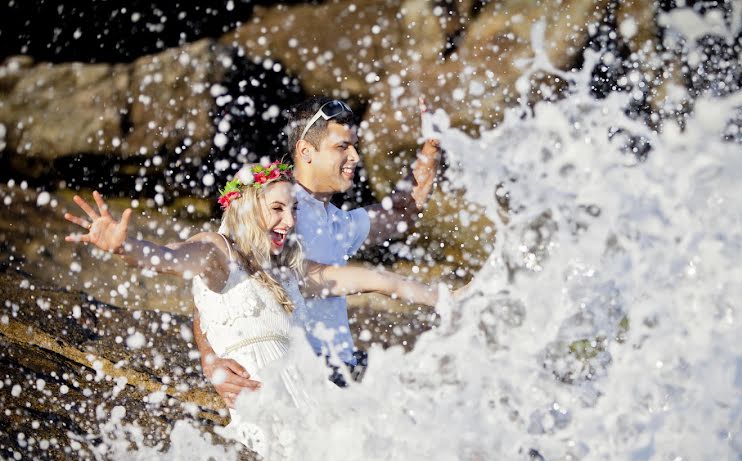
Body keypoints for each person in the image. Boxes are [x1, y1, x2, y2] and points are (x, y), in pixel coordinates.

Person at [63, 165, 456, 413]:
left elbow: (377, 280)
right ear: (249, 210)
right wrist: (126, 247)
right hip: (264, 409)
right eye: (278, 209)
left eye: (294, 210)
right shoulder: (218, 252)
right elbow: (171, 257)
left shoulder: (289, 270)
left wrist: (446, 299)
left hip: (315, 404)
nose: (289, 221)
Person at [195, 96, 443, 400]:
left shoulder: (336, 220)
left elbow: (403, 212)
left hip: (343, 367)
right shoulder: (269, 206)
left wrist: (431, 148)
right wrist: (212, 362)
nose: (354, 156)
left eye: (354, 146)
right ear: (305, 151)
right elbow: (212, 282)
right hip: (303, 376)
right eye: (342, 147)